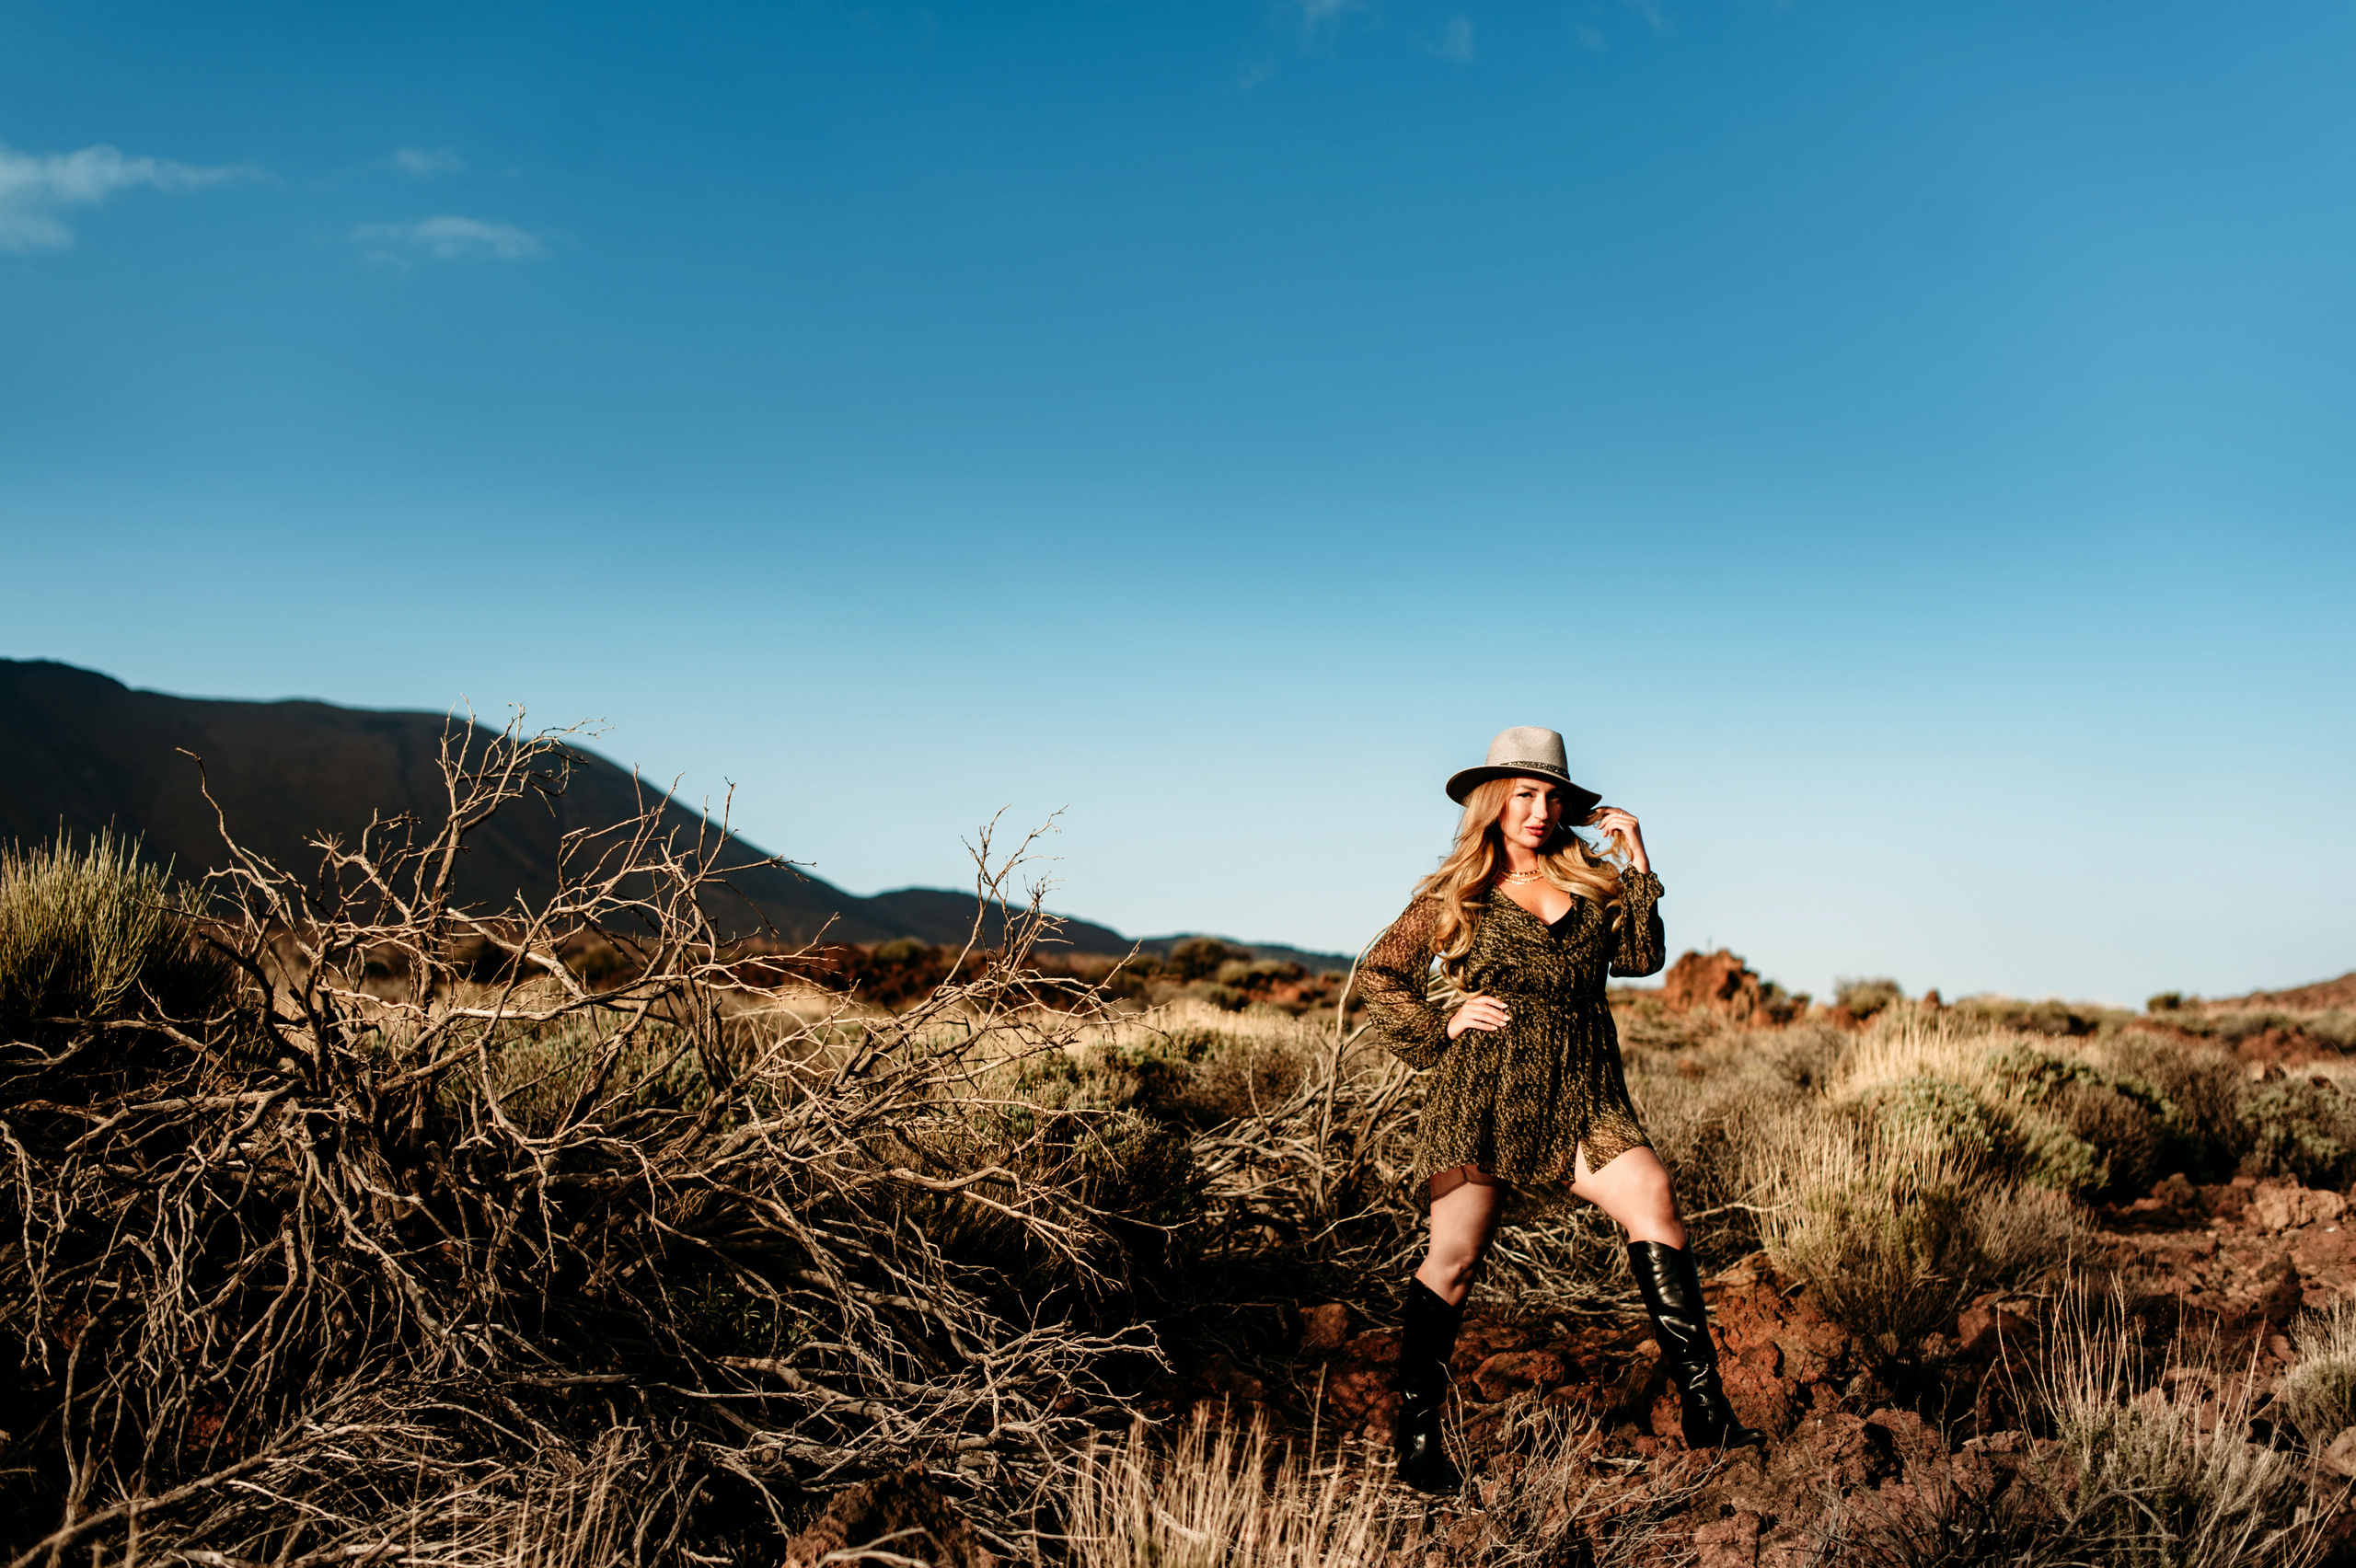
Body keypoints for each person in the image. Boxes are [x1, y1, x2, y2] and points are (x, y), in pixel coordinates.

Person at [1357, 726, 1760, 1493]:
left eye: (1554, 797)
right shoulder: (1455, 893)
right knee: (1455, 1260)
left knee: (1652, 1197)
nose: (1540, 810)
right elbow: (1381, 974)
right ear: (1495, 801)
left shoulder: (1590, 881)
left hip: (1584, 1089)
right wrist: (1441, 1022)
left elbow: (1641, 958)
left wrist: (1637, 860)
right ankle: (1416, 1440)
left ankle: (1706, 1410)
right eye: (1526, 794)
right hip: (1485, 1091)